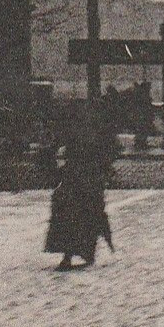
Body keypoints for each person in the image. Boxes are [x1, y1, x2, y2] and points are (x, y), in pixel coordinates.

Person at [44, 103, 120, 270]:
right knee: (81, 214)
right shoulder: (92, 130)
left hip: (82, 178)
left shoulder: (87, 131)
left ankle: (75, 254)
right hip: (82, 178)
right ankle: (78, 253)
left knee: (78, 214)